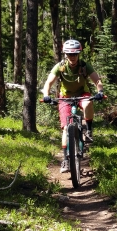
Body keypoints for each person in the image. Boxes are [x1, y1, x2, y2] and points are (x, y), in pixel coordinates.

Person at [42, 39, 104, 173]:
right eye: (70, 54)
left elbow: (97, 80)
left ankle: (88, 130)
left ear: (79, 54)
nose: (73, 57)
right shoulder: (60, 66)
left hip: (83, 93)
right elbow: (48, 82)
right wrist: (46, 95)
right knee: (65, 129)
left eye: (75, 54)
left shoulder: (84, 66)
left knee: (88, 103)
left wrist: (100, 91)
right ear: (65, 54)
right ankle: (65, 160)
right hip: (65, 97)